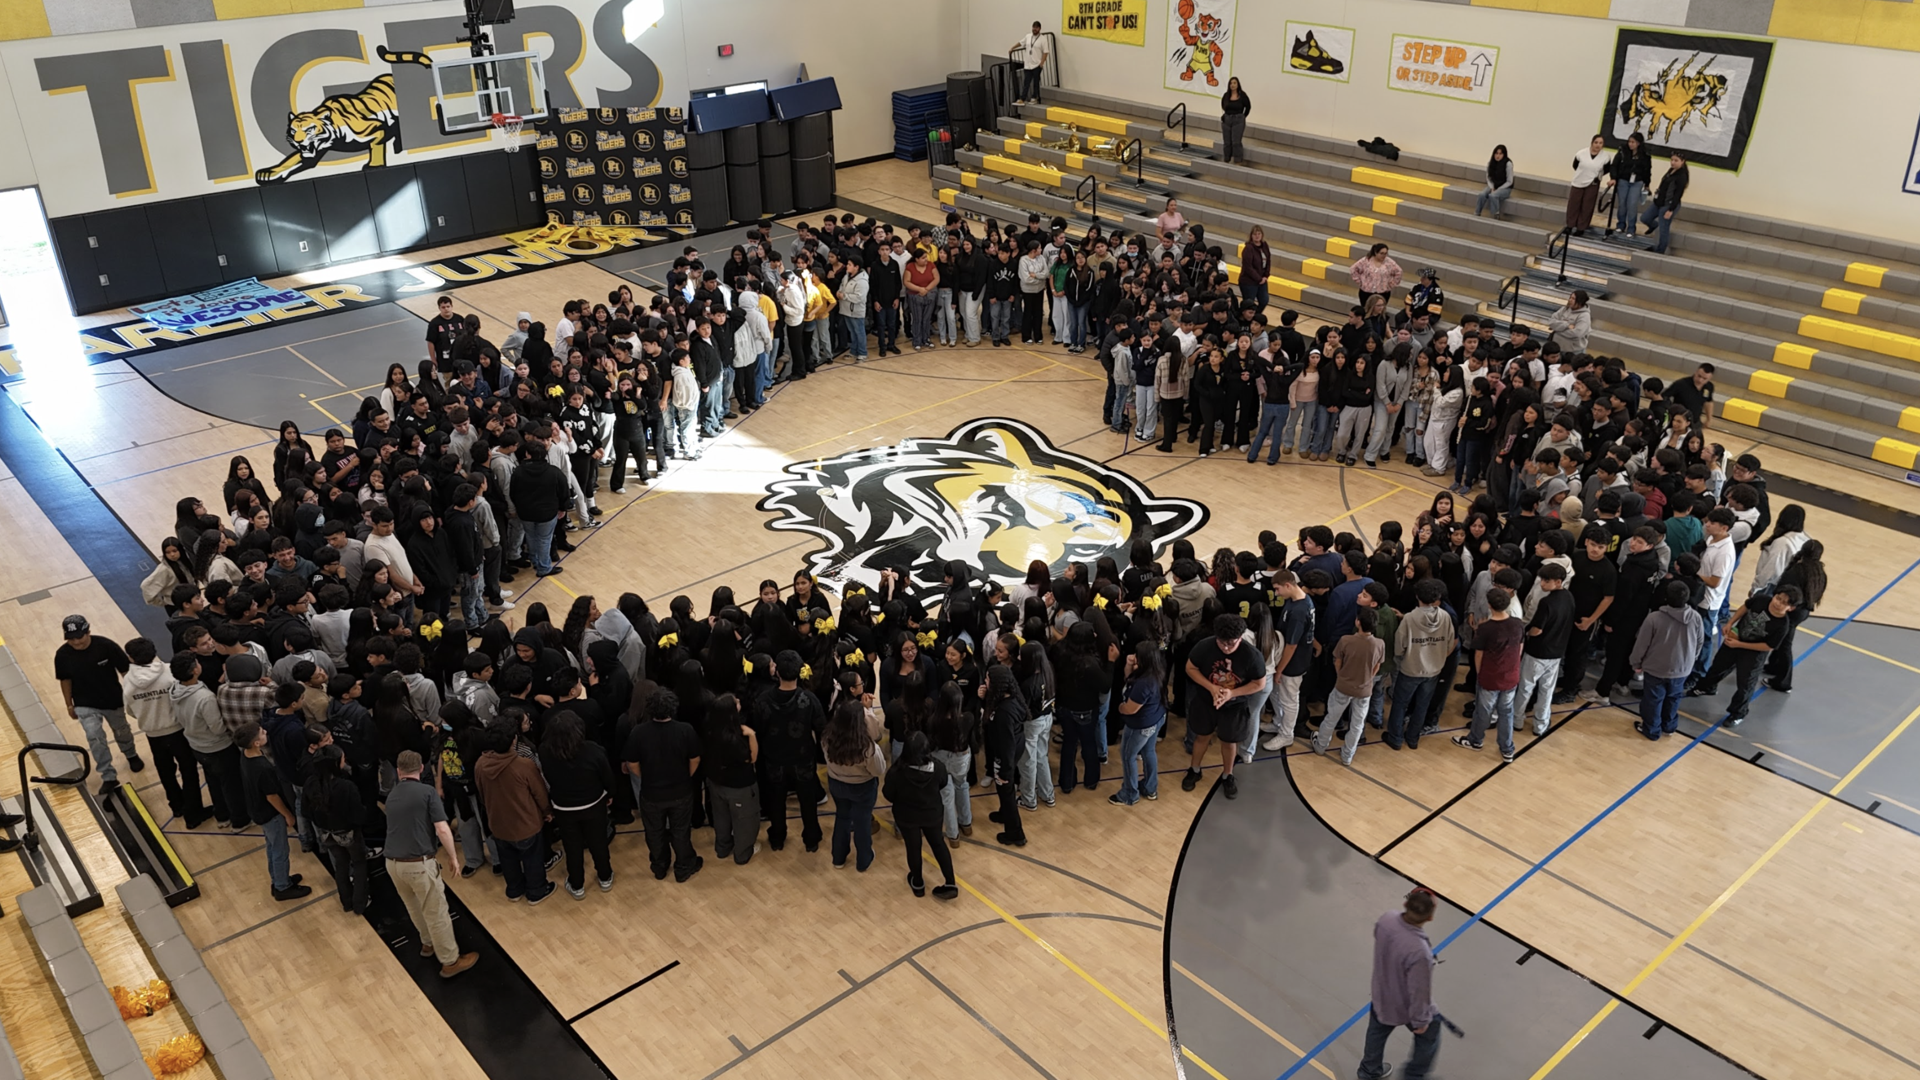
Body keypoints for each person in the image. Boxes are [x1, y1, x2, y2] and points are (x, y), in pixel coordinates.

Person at [384, 748, 478, 977]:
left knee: (413, 906)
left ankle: (427, 943)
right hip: (418, 863)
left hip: (392, 864)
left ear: (398, 771)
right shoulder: (427, 792)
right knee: (437, 912)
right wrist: (453, 857)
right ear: (421, 768)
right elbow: (442, 829)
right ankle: (450, 961)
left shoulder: (392, 795)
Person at [121, 637, 207, 826]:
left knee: (166, 772)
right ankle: (194, 814)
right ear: (154, 652)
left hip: (153, 734)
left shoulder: (128, 681)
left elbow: (129, 710)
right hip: (177, 730)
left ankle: (176, 806)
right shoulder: (170, 672)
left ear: (130, 658)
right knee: (189, 771)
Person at [1358, 889, 1442, 1080]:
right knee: (1430, 1033)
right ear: (1430, 917)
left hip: (1381, 994)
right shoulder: (1419, 952)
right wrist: (1420, 1021)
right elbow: (1419, 991)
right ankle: (1413, 1076)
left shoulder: (1387, 919)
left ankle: (1369, 1071)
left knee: (1376, 1033)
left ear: (1405, 905)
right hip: (1405, 1005)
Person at [1180, 614, 1267, 799]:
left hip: (1234, 705)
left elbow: (1259, 684)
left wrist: (1232, 693)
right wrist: (1211, 688)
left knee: (1229, 741)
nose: (1226, 647)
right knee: (1201, 736)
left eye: (1231, 643)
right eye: (1222, 643)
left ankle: (1228, 775)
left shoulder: (1252, 655)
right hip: (1205, 700)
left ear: (1240, 637)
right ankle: (1195, 769)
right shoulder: (1204, 646)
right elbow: (1190, 668)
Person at [53, 615, 144, 791]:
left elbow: (125, 671)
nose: (76, 642)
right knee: (94, 736)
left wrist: (134, 695)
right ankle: (108, 775)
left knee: (121, 730)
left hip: (112, 699)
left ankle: (131, 754)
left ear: (88, 632)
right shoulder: (62, 655)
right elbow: (65, 680)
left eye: (79, 637)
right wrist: (69, 704)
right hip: (84, 702)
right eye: (71, 639)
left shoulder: (106, 646)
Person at [1689, 586, 1800, 726]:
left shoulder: (1783, 625)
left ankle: (1738, 713)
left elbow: (1768, 646)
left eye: (1784, 603)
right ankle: (1706, 687)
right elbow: (1745, 607)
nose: (1778, 603)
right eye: (1778, 598)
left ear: (1791, 608)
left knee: (1745, 685)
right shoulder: (1761, 600)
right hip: (1735, 640)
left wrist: (1739, 644)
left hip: (1753, 654)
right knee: (1718, 665)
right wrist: (1730, 623)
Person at [475, 713, 555, 901]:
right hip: (526, 824)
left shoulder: (480, 764)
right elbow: (540, 793)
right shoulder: (524, 765)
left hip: (498, 824)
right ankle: (536, 891)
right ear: (514, 740)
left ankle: (514, 890)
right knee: (532, 859)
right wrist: (547, 811)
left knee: (508, 859)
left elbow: (481, 794)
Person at [630, 689, 704, 882]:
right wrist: (685, 776)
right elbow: (695, 758)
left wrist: (646, 777)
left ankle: (659, 866)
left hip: (651, 793)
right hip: (680, 792)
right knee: (681, 831)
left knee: (654, 833)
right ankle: (684, 866)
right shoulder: (685, 730)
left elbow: (632, 763)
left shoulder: (639, 732)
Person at [541, 709, 615, 898]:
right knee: (598, 842)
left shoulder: (545, 752)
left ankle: (577, 885)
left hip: (563, 808)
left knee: (571, 846)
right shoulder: (594, 750)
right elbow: (607, 776)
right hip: (594, 805)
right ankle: (605, 877)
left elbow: (547, 777)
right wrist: (610, 794)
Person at [236, 720, 311, 901]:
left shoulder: (246, 755)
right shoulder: (263, 768)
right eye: (262, 733)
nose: (265, 732)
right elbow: (272, 796)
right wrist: (288, 815)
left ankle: (278, 879)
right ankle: (282, 887)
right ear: (256, 743)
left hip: (257, 810)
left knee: (271, 846)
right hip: (269, 814)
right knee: (280, 850)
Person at [883, 731, 959, 899]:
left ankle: (918, 883)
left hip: (907, 817)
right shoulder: (938, 768)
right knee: (938, 844)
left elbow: (888, 794)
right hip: (932, 814)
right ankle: (950, 882)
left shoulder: (896, 772)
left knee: (913, 848)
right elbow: (943, 783)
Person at [1453, 585, 1523, 762]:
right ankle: (1507, 748)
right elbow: (1520, 648)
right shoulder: (1517, 624)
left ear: (1489, 605)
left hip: (1490, 676)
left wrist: (1480, 673)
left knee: (1483, 711)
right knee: (1506, 712)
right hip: (1511, 675)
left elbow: (1479, 654)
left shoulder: (1486, 628)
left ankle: (1475, 740)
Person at [1630, 581, 1702, 740]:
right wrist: (1690, 659)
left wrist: (1636, 663)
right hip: (1682, 669)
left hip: (1656, 669)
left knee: (1653, 700)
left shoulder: (1654, 618)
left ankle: (1651, 730)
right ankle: (1669, 727)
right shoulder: (1696, 617)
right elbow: (1699, 642)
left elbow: (1641, 644)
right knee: (1674, 698)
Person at [1312, 607, 1385, 766]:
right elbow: (1377, 666)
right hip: (1364, 690)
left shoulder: (1345, 640)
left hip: (1343, 686)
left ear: (1358, 622)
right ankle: (1347, 755)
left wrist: (1342, 675)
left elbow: (1337, 662)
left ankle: (1320, 745)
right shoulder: (1379, 644)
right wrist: (1368, 678)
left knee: (1331, 717)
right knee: (1357, 724)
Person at [822, 696, 886, 872]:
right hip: (862, 787)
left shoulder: (827, 738)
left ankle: (838, 858)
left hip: (836, 783)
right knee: (862, 822)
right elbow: (878, 770)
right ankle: (863, 860)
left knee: (842, 817)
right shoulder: (866, 746)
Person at [303, 745, 368, 915]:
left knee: (341, 864)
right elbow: (358, 814)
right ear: (336, 763)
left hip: (326, 833)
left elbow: (305, 811)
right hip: (349, 833)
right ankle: (360, 903)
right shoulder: (346, 787)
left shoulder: (310, 783)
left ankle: (346, 902)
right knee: (359, 863)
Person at [703, 694, 761, 865]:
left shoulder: (709, 730)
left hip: (716, 783)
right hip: (739, 787)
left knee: (721, 818)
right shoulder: (734, 739)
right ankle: (742, 853)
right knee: (744, 820)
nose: (739, 701)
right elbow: (752, 758)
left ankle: (722, 848)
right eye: (735, 702)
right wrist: (751, 735)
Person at [1110, 642, 1165, 806]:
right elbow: (1129, 680)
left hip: (1140, 726)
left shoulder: (1144, 683)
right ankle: (1150, 788)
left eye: (1137, 656)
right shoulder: (1155, 672)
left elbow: (1130, 709)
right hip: (1156, 718)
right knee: (1149, 751)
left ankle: (1129, 794)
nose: (1134, 657)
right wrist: (1128, 665)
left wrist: (1120, 707)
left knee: (1128, 756)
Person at [1640, 152, 1689, 254]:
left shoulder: (1681, 176)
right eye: (1672, 160)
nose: (1673, 162)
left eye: (1676, 161)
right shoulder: (1671, 170)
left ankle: (1660, 250)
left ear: (1682, 162)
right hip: (1659, 202)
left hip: (1668, 205)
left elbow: (1678, 194)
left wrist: (1671, 209)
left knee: (1664, 229)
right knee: (1645, 218)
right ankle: (1654, 226)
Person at [1606, 132, 1651, 235]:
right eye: (1629, 141)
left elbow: (1647, 170)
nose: (1630, 144)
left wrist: (1647, 184)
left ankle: (1631, 227)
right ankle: (1620, 224)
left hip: (1637, 181)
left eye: (1633, 142)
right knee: (1622, 203)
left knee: (1632, 204)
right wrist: (1613, 178)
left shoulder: (1645, 155)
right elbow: (1614, 165)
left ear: (1638, 143)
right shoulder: (1622, 151)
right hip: (1623, 180)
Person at [1566, 134, 1608, 234]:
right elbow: (1575, 165)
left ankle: (1581, 228)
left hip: (1593, 183)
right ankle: (1570, 225)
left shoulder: (1605, 157)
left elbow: (1606, 170)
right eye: (1596, 142)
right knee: (1574, 204)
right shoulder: (1581, 153)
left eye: (1600, 143)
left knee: (1587, 206)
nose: (1598, 145)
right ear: (1592, 143)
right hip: (1578, 181)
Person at [1013, 20, 1048, 105]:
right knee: (1026, 82)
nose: (1034, 29)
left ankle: (1034, 97)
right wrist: (1012, 48)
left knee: (1036, 82)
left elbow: (1046, 52)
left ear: (1039, 29)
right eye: (1033, 27)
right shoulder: (1028, 36)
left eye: (1036, 28)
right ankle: (1022, 98)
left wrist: (1041, 63)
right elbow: (1021, 42)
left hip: (1037, 64)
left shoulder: (1043, 39)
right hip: (1028, 64)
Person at [1547, 290, 1591, 355]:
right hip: (1557, 348)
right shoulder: (1565, 309)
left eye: (1573, 299)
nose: (1570, 300)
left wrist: (1557, 329)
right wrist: (1566, 325)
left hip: (1573, 352)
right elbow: (1551, 322)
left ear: (1580, 302)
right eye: (1570, 297)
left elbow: (1576, 333)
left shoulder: (1584, 316)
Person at [1475, 144, 1513, 219]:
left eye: (1500, 154)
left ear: (1504, 155)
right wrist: (1492, 187)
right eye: (1496, 153)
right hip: (1493, 185)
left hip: (1505, 188)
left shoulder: (1508, 164)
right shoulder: (1490, 163)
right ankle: (1477, 213)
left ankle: (1496, 215)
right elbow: (1488, 177)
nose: (1498, 156)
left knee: (1493, 195)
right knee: (1482, 194)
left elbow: (1509, 181)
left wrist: (1498, 189)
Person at [1220, 77, 1250, 164]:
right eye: (1231, 83)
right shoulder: (1226, 95)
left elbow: (1248, 107)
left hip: (1238, 120)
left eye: (1234, 83)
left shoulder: (1243, 95)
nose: (1232, 85)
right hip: (1227, 120)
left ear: (1238, 84)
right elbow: (1223, 105)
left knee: (1236, 142)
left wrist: (1242, 117)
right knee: (1227, 142)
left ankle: (1237, 160)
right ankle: (1226, 159)